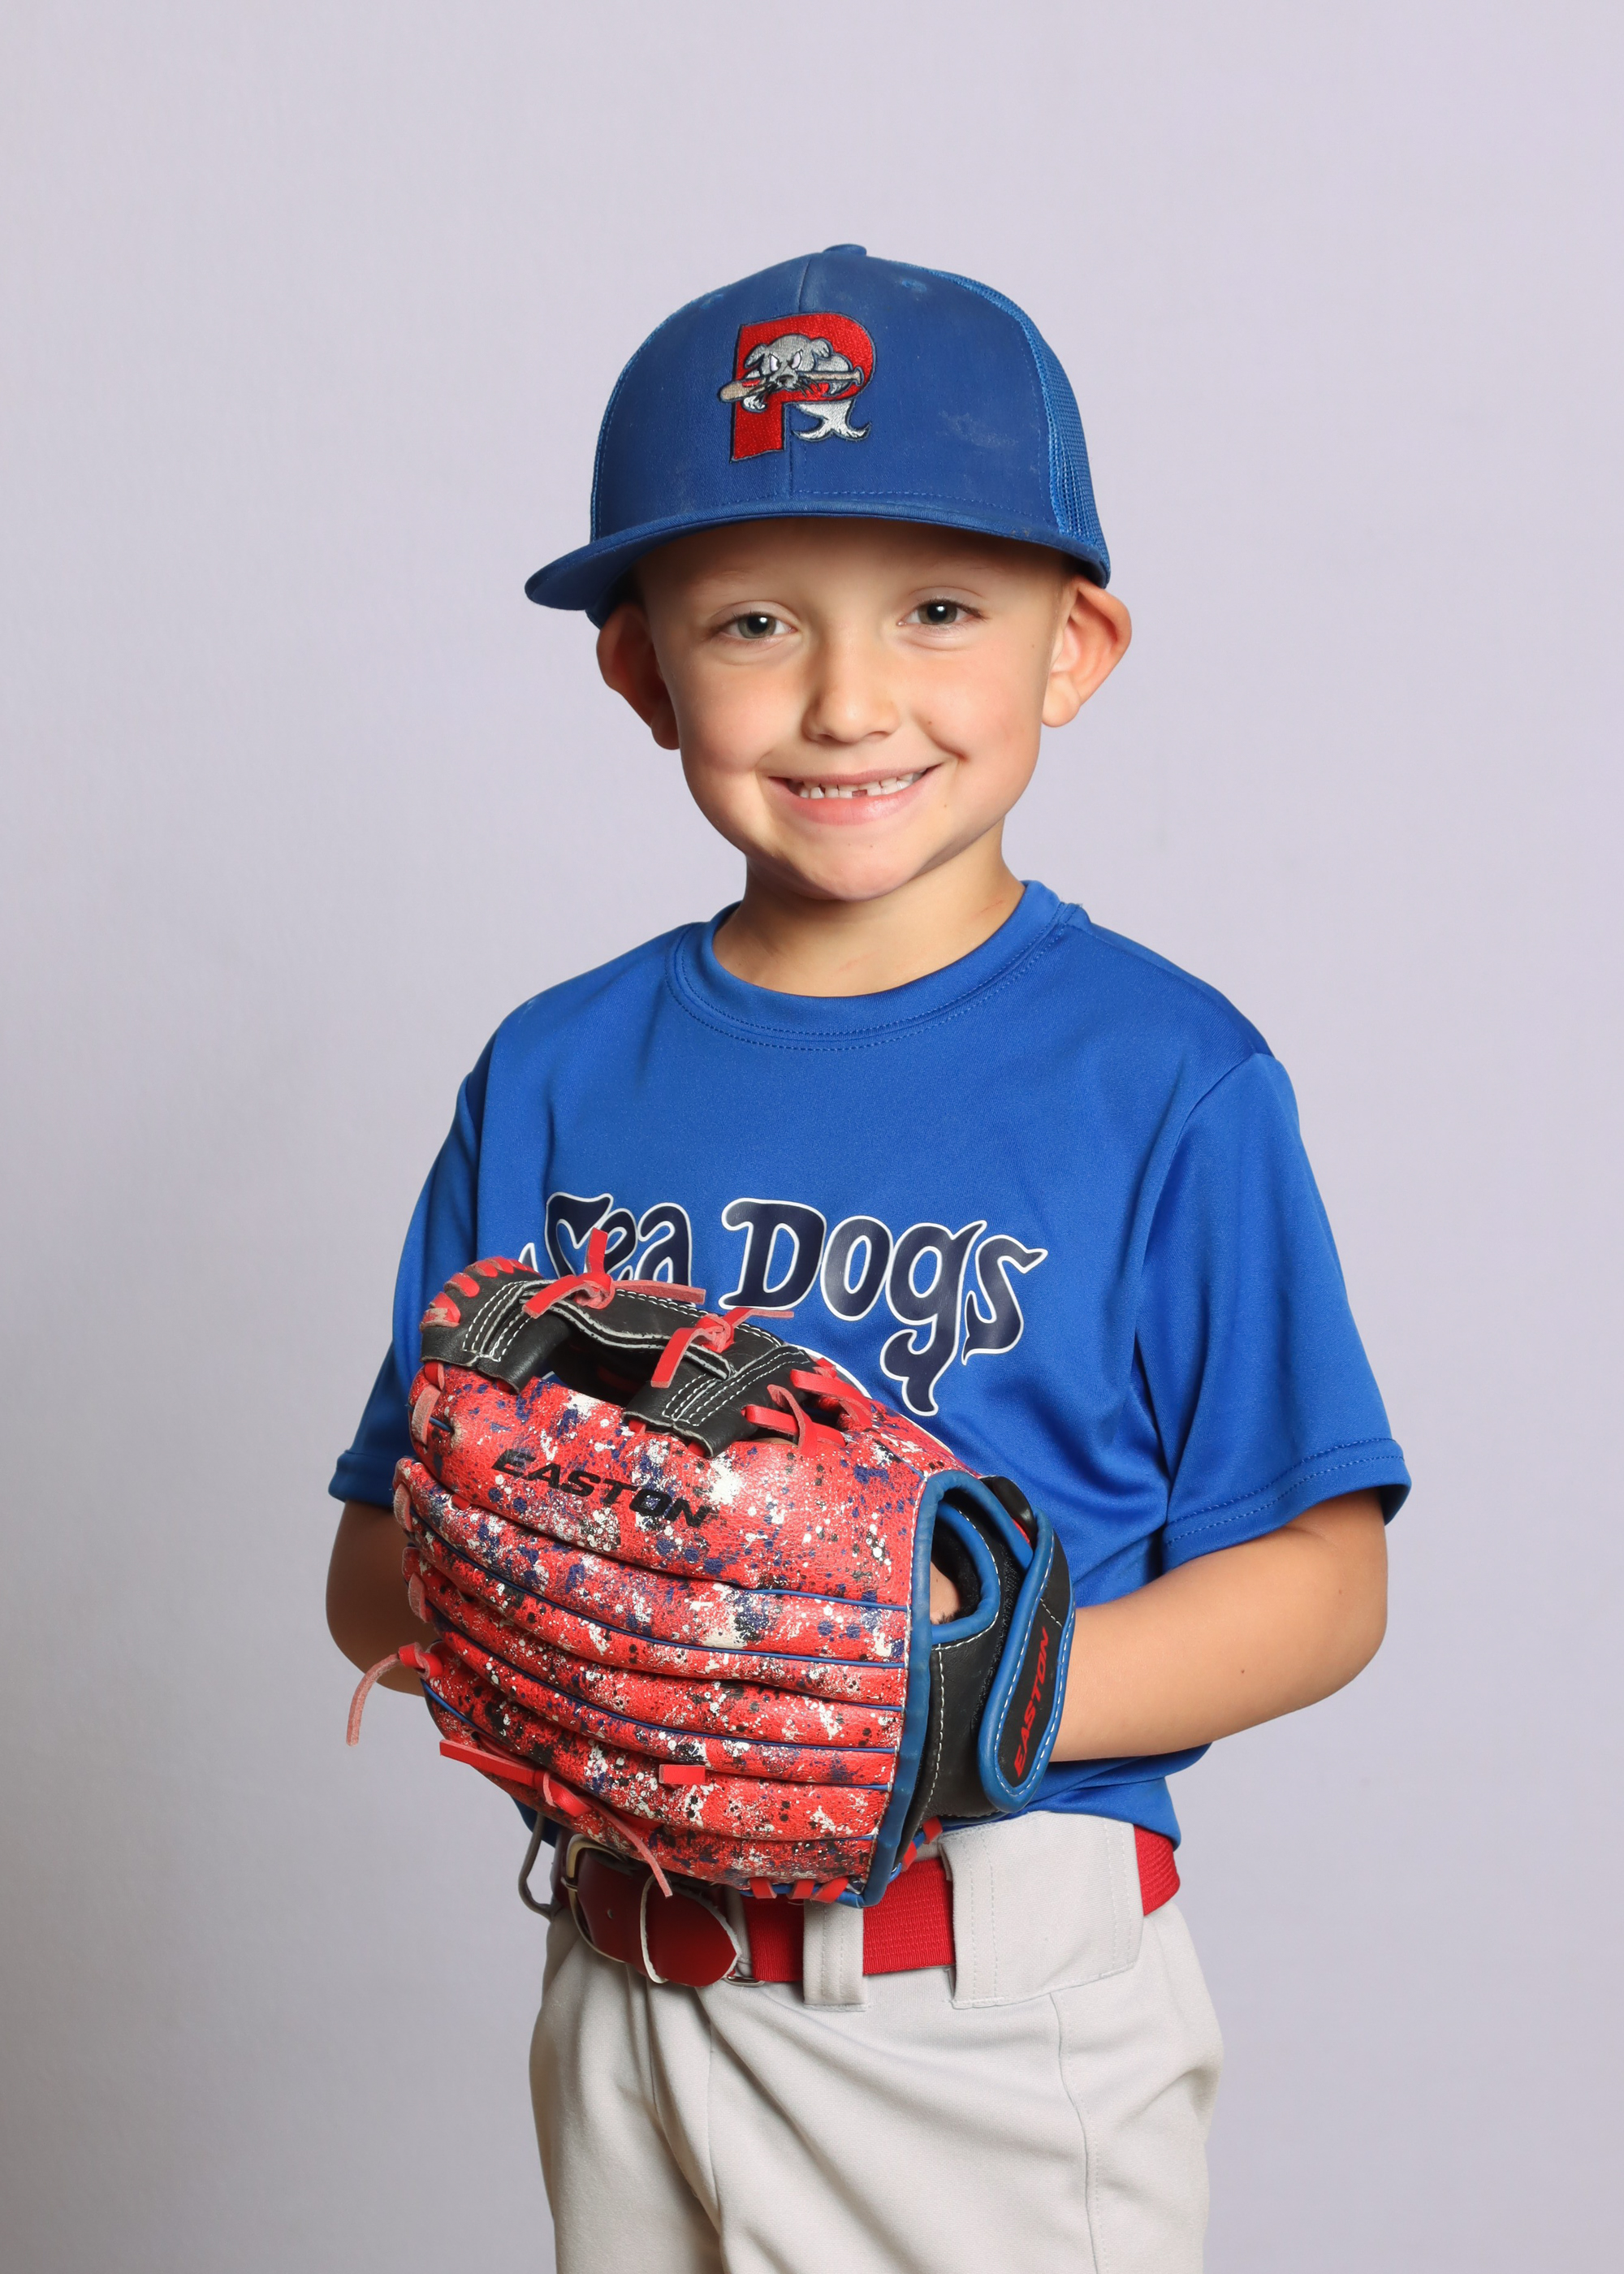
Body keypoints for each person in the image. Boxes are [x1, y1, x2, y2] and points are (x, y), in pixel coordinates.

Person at [326, 244, 1408, 2273]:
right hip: (628, 1981)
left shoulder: (1161, 1074)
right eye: (754, 621)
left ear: (1074, 645)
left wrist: (941, 1683)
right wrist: (577, 1613)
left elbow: (1324, 1578)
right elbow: (374, 1563)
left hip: (974, 2009)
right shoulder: (555, 1070)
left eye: (937, 609)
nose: (846, 698)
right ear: (641, 671)